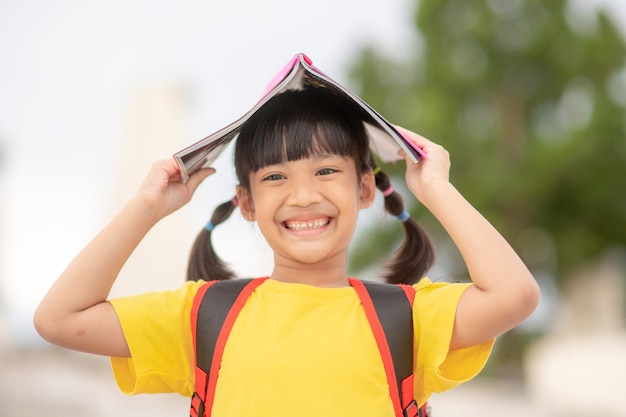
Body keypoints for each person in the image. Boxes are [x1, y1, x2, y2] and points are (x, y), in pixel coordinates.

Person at [33, 87, 540, 416]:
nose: (302, 196)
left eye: (326, 171)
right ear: (247, 203)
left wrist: (436, 190)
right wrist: (146, 207)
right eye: (276, 177)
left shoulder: (406, 317)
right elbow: (59, 319)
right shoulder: (203, 314)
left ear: (365, 189)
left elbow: (514, 295)